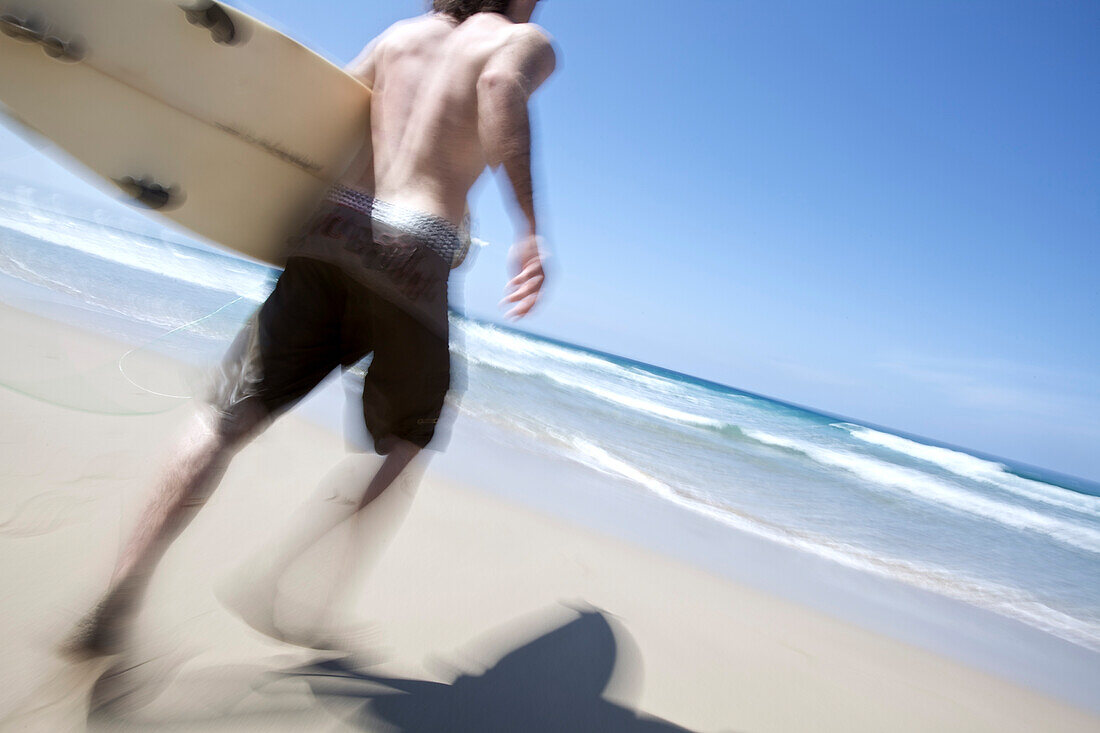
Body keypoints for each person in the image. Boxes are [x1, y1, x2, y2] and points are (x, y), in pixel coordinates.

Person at [64, 0, 556, 658]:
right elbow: (498, 87)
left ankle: (121, 587)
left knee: (226, 416)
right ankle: (294, 586)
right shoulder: (521, 39)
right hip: (419, 246)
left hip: (333, 227)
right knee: (410, 436)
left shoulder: (400, 37)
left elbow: (317, 123)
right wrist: (529, 227)